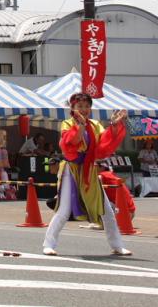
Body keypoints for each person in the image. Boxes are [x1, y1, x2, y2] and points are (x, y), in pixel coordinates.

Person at [42, 92, 131, 256]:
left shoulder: (96, 125)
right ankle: (48, 244)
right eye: (80, 106)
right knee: (63, 210)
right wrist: (81, 126)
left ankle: (117, 245)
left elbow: (104, 143)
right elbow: (71, 143)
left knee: (107, 211)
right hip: (72, 170)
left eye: (87, 106)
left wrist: (114, 125)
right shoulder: (67, 124)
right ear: (73, 108)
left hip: (89, 169)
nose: (83, 109)